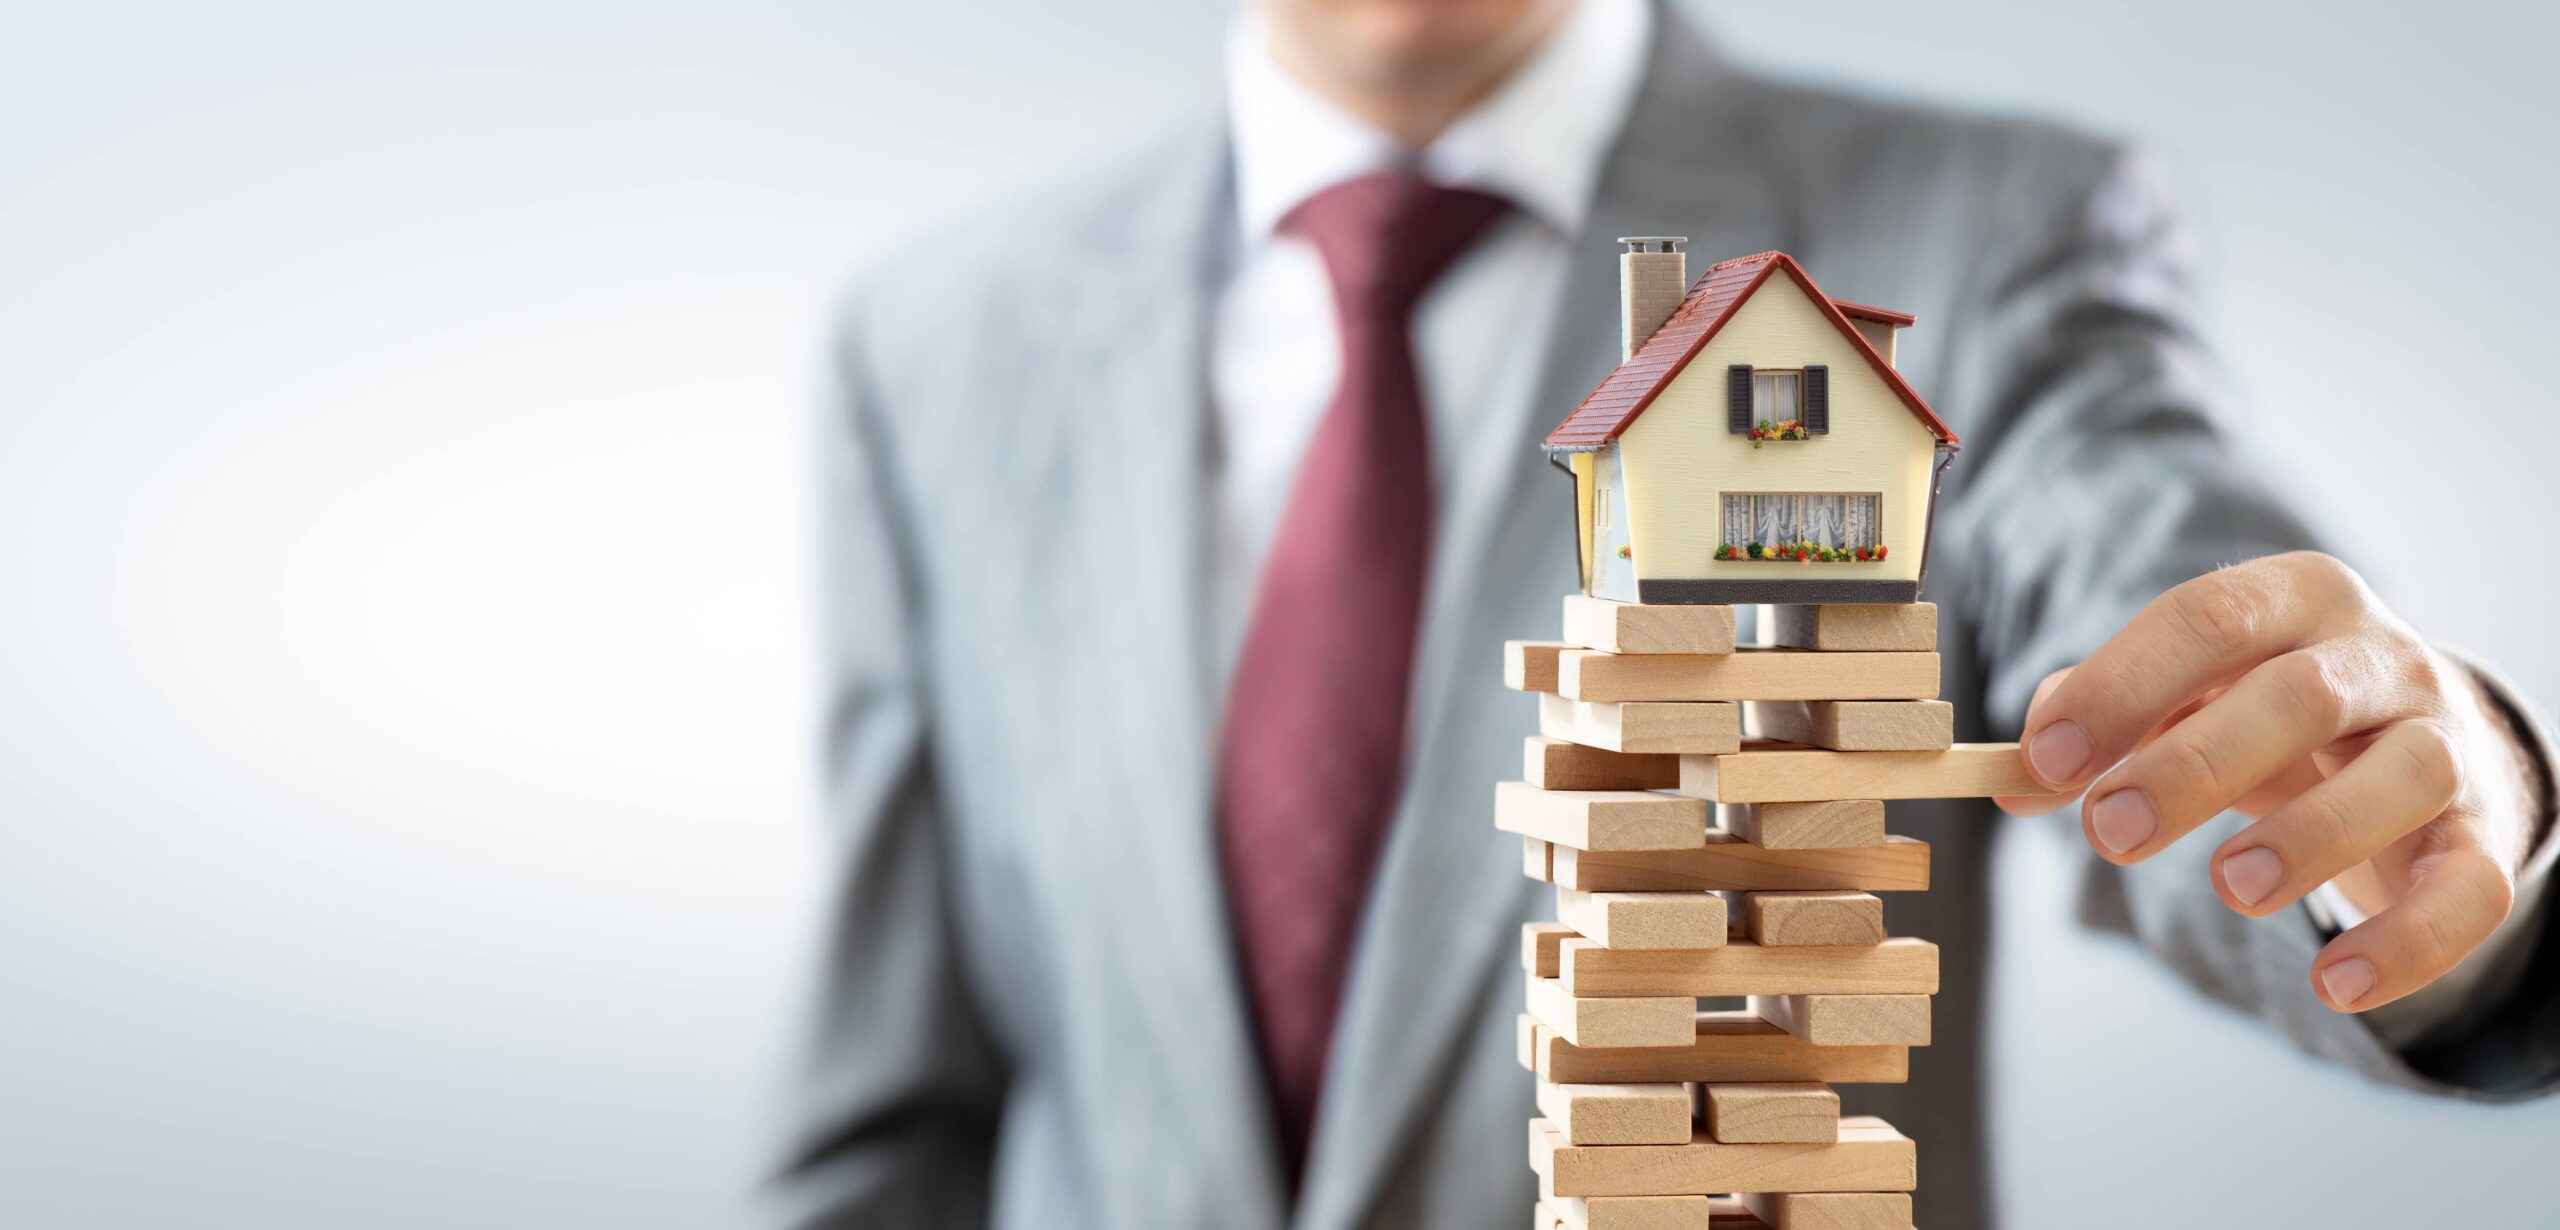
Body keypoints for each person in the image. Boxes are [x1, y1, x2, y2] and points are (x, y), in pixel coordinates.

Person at [776, 0, 2560, 1224]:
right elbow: (880, 1125)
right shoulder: (932, 346)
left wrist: (2406, 801)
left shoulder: (1993, 226)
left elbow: (2149, 565)